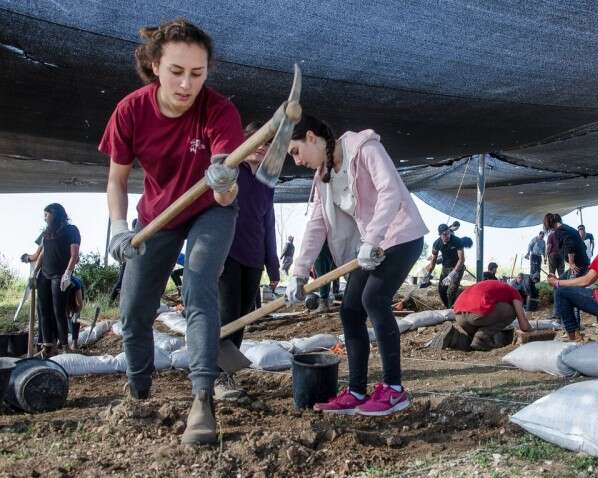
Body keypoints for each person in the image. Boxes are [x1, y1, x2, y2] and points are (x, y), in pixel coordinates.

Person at [99, 18, 243, 445]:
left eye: (197, 74)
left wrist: (224, 182)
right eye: (177, 72)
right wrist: (120, 228)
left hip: (209, 211)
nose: (186, 84)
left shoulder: (220, 111)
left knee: (199, 284)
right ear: (155, 66)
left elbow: (224, 194)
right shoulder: (131, 110)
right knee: (133, 310)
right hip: (158, 215)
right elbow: (117, 179)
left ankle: (202, 399)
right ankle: (139, 391)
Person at [284, 115, 427, 416]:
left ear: (311, 137)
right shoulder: (323, 175)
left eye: (295, 151)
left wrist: (372, 238)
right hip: (371, 247)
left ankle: (394, 390)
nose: (296, 161)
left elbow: (391, 191)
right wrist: (298, 272)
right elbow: (317, 224)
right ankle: (357, 391)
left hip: (401, 234)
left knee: (373, 298)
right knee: (350, 310)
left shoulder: (364, 148)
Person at [217, 121, 280, 399]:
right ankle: (215, 376)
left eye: (266, 144)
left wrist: (273, 265)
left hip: (254, 258)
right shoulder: (232, 172)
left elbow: (268, 224)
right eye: (255, 142)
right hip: (227, 253)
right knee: (226, 314)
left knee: (242, 317)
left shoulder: (267, 184)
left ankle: (227, 374)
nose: (260, 148)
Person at [21, 203, 81, 356]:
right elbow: (40, 254)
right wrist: (33, 270)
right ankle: (48, 345)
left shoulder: (71, 230)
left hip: (59, 276)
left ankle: (64, 346)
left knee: (58, 311)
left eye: (47, 214)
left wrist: (68, 274)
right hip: (45, 275)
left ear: (55, 214)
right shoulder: (46, 232)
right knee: (43, 310)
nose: (44, 218)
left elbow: (74, 255)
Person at [432, 280, 534, 351]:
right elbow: (523, 325)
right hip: (477, 313)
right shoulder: (515, 292)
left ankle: (454, 338)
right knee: (512, 311)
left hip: (458, 314)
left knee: (471, 342)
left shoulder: (497, 286)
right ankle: (481, 338)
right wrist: (531, 331)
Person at [425, 223, 465, 308]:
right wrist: (428, 274)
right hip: (445, 268)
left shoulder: (457, 241)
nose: (447, 236)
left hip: (457, 268)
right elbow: (434, 260)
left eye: (448, 233)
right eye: (444, 234)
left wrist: (453, 273)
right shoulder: (436, 244)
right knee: (441, 290)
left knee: (451, 291)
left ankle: (452, 311)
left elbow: (461, 260)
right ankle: (449, 308)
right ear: (440, 235)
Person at [544, 213, 589, 278]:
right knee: (562, 279)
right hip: (583, 262)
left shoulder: (560, 230)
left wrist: (572, 263)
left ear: (550, 223)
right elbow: (583, 245)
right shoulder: (568, 228)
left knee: (571, 285)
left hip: (578, 265)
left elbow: (570, 245)